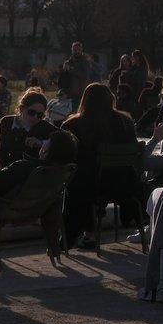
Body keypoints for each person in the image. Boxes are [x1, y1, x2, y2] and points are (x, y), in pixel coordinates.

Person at [0, 130, 78, 259]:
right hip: (38, 209)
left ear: (48, 150)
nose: (44, 143)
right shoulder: (60, 173)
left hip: (7, 211)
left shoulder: (25, 167)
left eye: (48, 142)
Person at [61, 82, 140, 249]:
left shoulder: (73, 125)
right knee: (87, 178)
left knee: (76, 183)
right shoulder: (126, 122)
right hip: (122, 184)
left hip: (92, 185)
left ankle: (72, 237)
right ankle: (89, 234)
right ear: (110, 99)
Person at [0, 89, 58, 168]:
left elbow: (67, 139)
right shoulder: (7, 122)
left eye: (40, 115)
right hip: (9, 169)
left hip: (31, 171)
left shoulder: (44, 126)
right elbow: (1, 150)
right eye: (31, 112)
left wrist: (42, 143)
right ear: (22, 109)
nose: (35, 117)